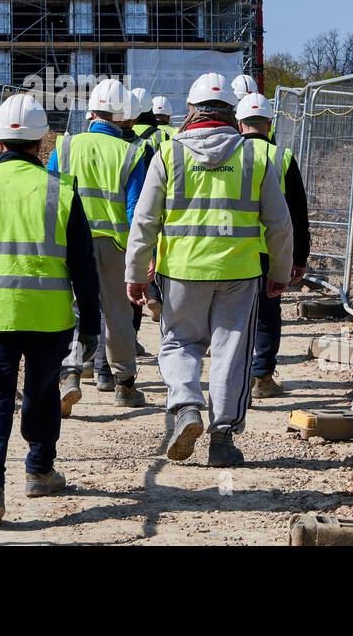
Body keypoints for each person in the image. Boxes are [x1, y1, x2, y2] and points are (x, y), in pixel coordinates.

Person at [0, 93, 100, 526]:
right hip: (47, 317)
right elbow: (83, 264)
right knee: (42, 392)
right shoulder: (59, 191)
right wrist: (92, 324)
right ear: (41, 141)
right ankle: (39, 470)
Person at [125, 73, 295, 467]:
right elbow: (279, 223)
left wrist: (136, 274)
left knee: (180, 342)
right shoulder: (253, 155)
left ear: (190, 111)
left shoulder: (170, 154)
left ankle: (185, 406)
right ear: (232, 114)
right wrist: (280, 272)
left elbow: (145, 221)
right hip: (240, 270)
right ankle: (222, 439)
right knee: (231, 353)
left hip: (181, 271)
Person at [48, 79, 151, 407]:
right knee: (119, 314)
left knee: (72, 310)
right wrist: (144, 253)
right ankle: (125, 386)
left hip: (68, 243)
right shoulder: (130, 152)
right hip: (115, 246)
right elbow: (137, 210)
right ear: (122, 117)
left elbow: (49, 198)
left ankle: (71, 373)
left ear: (90, 112)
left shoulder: (64, 147)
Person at [235, 92, 310, 397]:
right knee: (268, 314)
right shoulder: (283, 157)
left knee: (234, 316)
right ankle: (262, 378)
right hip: (272, 251)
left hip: (235, 251)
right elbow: (298, 214)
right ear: (269, 124)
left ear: (240, 124)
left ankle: (235, 378)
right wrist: (299, 257)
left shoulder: (227, 155)